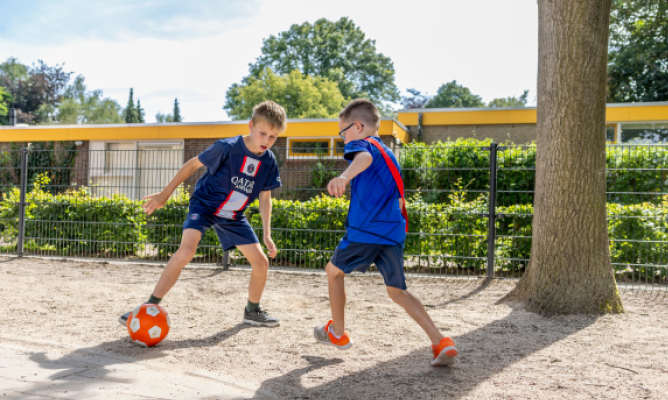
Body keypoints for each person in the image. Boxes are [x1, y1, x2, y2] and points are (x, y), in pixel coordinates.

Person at [313, 99, 458, 366]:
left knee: (333, 272)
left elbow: (363, 158)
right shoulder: (389, 153)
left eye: (343, 133)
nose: (344, 139)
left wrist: (344, 177)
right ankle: (440, 341)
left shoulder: (365, 145)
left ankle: (338, 333)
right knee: (397, 291)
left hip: (366, 231)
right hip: (393, 231)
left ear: (358, 126)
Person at [119, 100, 286, 328]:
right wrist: (165, 194)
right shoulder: (227, 147)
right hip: (205, 205)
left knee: (261, 263)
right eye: (263, 133)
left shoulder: (269, 162)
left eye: (273, 137)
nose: (267, 141)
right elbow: (191, 165)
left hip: (233, 215)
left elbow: (265, 199)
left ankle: (252, 311)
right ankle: (147, 307)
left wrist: (267, 234)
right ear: (251, 126)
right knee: (187, 251)